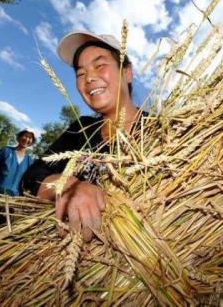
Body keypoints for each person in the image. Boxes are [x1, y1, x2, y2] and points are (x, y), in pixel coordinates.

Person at [23, 30, 145, 242]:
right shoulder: (80, 129)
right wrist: (69, 186)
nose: (89, 77)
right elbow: (31, 178)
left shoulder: (162, 129)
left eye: (100, 65)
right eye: (80, 73)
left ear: (127, 72)